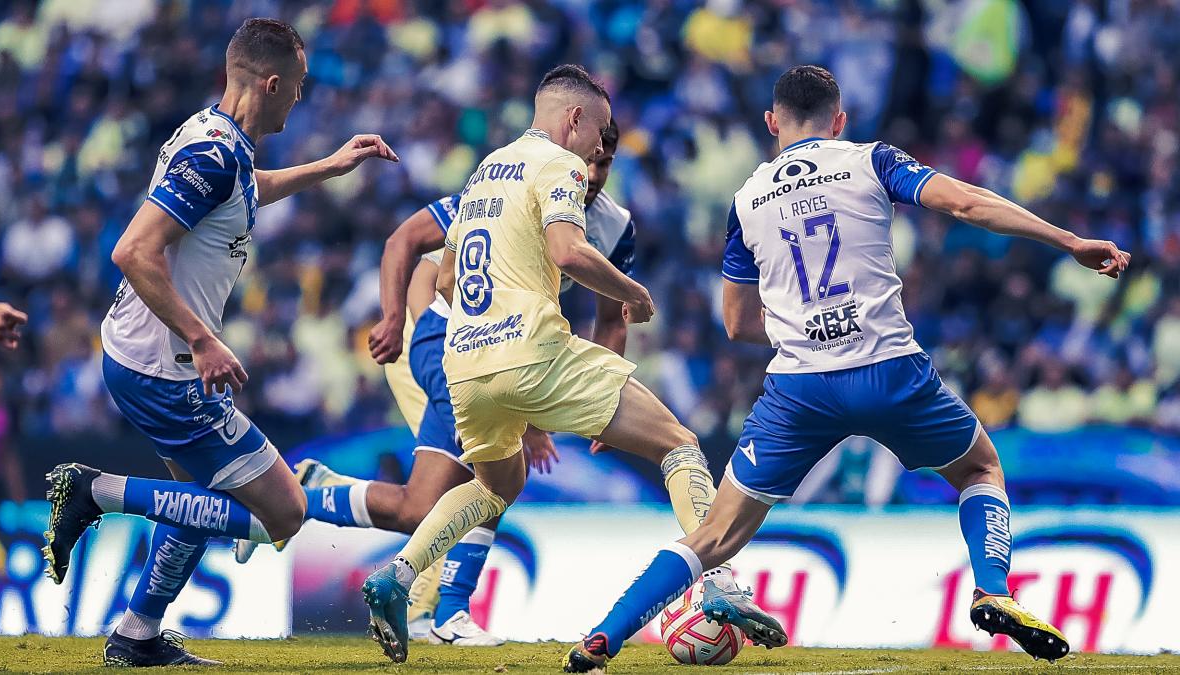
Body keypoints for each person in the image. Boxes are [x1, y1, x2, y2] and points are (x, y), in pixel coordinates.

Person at [562, 65, 1131, 671]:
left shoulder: (747, 200)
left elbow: (735, 323)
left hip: (800, 389)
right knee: (980, 469)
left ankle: (605, 635)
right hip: (890, 369)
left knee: (714, 538)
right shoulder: (869, 159)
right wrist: (1070, 242)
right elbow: (965, 202)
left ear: (770, 122)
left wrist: (802, 326)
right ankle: (993, 590)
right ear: (840, 120)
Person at [358, 64, 784, 664]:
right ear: (575, 118)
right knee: (680, 445)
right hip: (531, 349)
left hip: (466, 362)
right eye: (600, 132)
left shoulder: (486, 172)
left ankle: (397, 576)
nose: (597, 152)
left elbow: (449, 279)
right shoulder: (558, 164)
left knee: (495, 486)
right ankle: (722, 584)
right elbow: (568, 250)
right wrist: (633, 293)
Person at [39, 18, 398, 667]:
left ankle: (136, 634)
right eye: (297, 86)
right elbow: (133, 250)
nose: (300, 97)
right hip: (166, 367)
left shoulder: (218, 142)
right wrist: (203, 339)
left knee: (199, 502)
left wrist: (330, 165)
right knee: (280, 516)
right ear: (270, 82)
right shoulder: (212, 154)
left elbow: (245, 190)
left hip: (142, 354)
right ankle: (94, 490)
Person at [266, 118, 636, 647]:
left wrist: (601, 395)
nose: (594, 171)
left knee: (432, 502)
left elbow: (611, 319)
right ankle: (448, 614)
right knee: (493, 472)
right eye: (590, 157)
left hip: (485, 351)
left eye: (605, 163)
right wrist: (395, 319)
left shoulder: (611, 224)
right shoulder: (506, 187)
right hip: (446, 342)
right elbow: (409, 248)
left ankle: (312, 497)